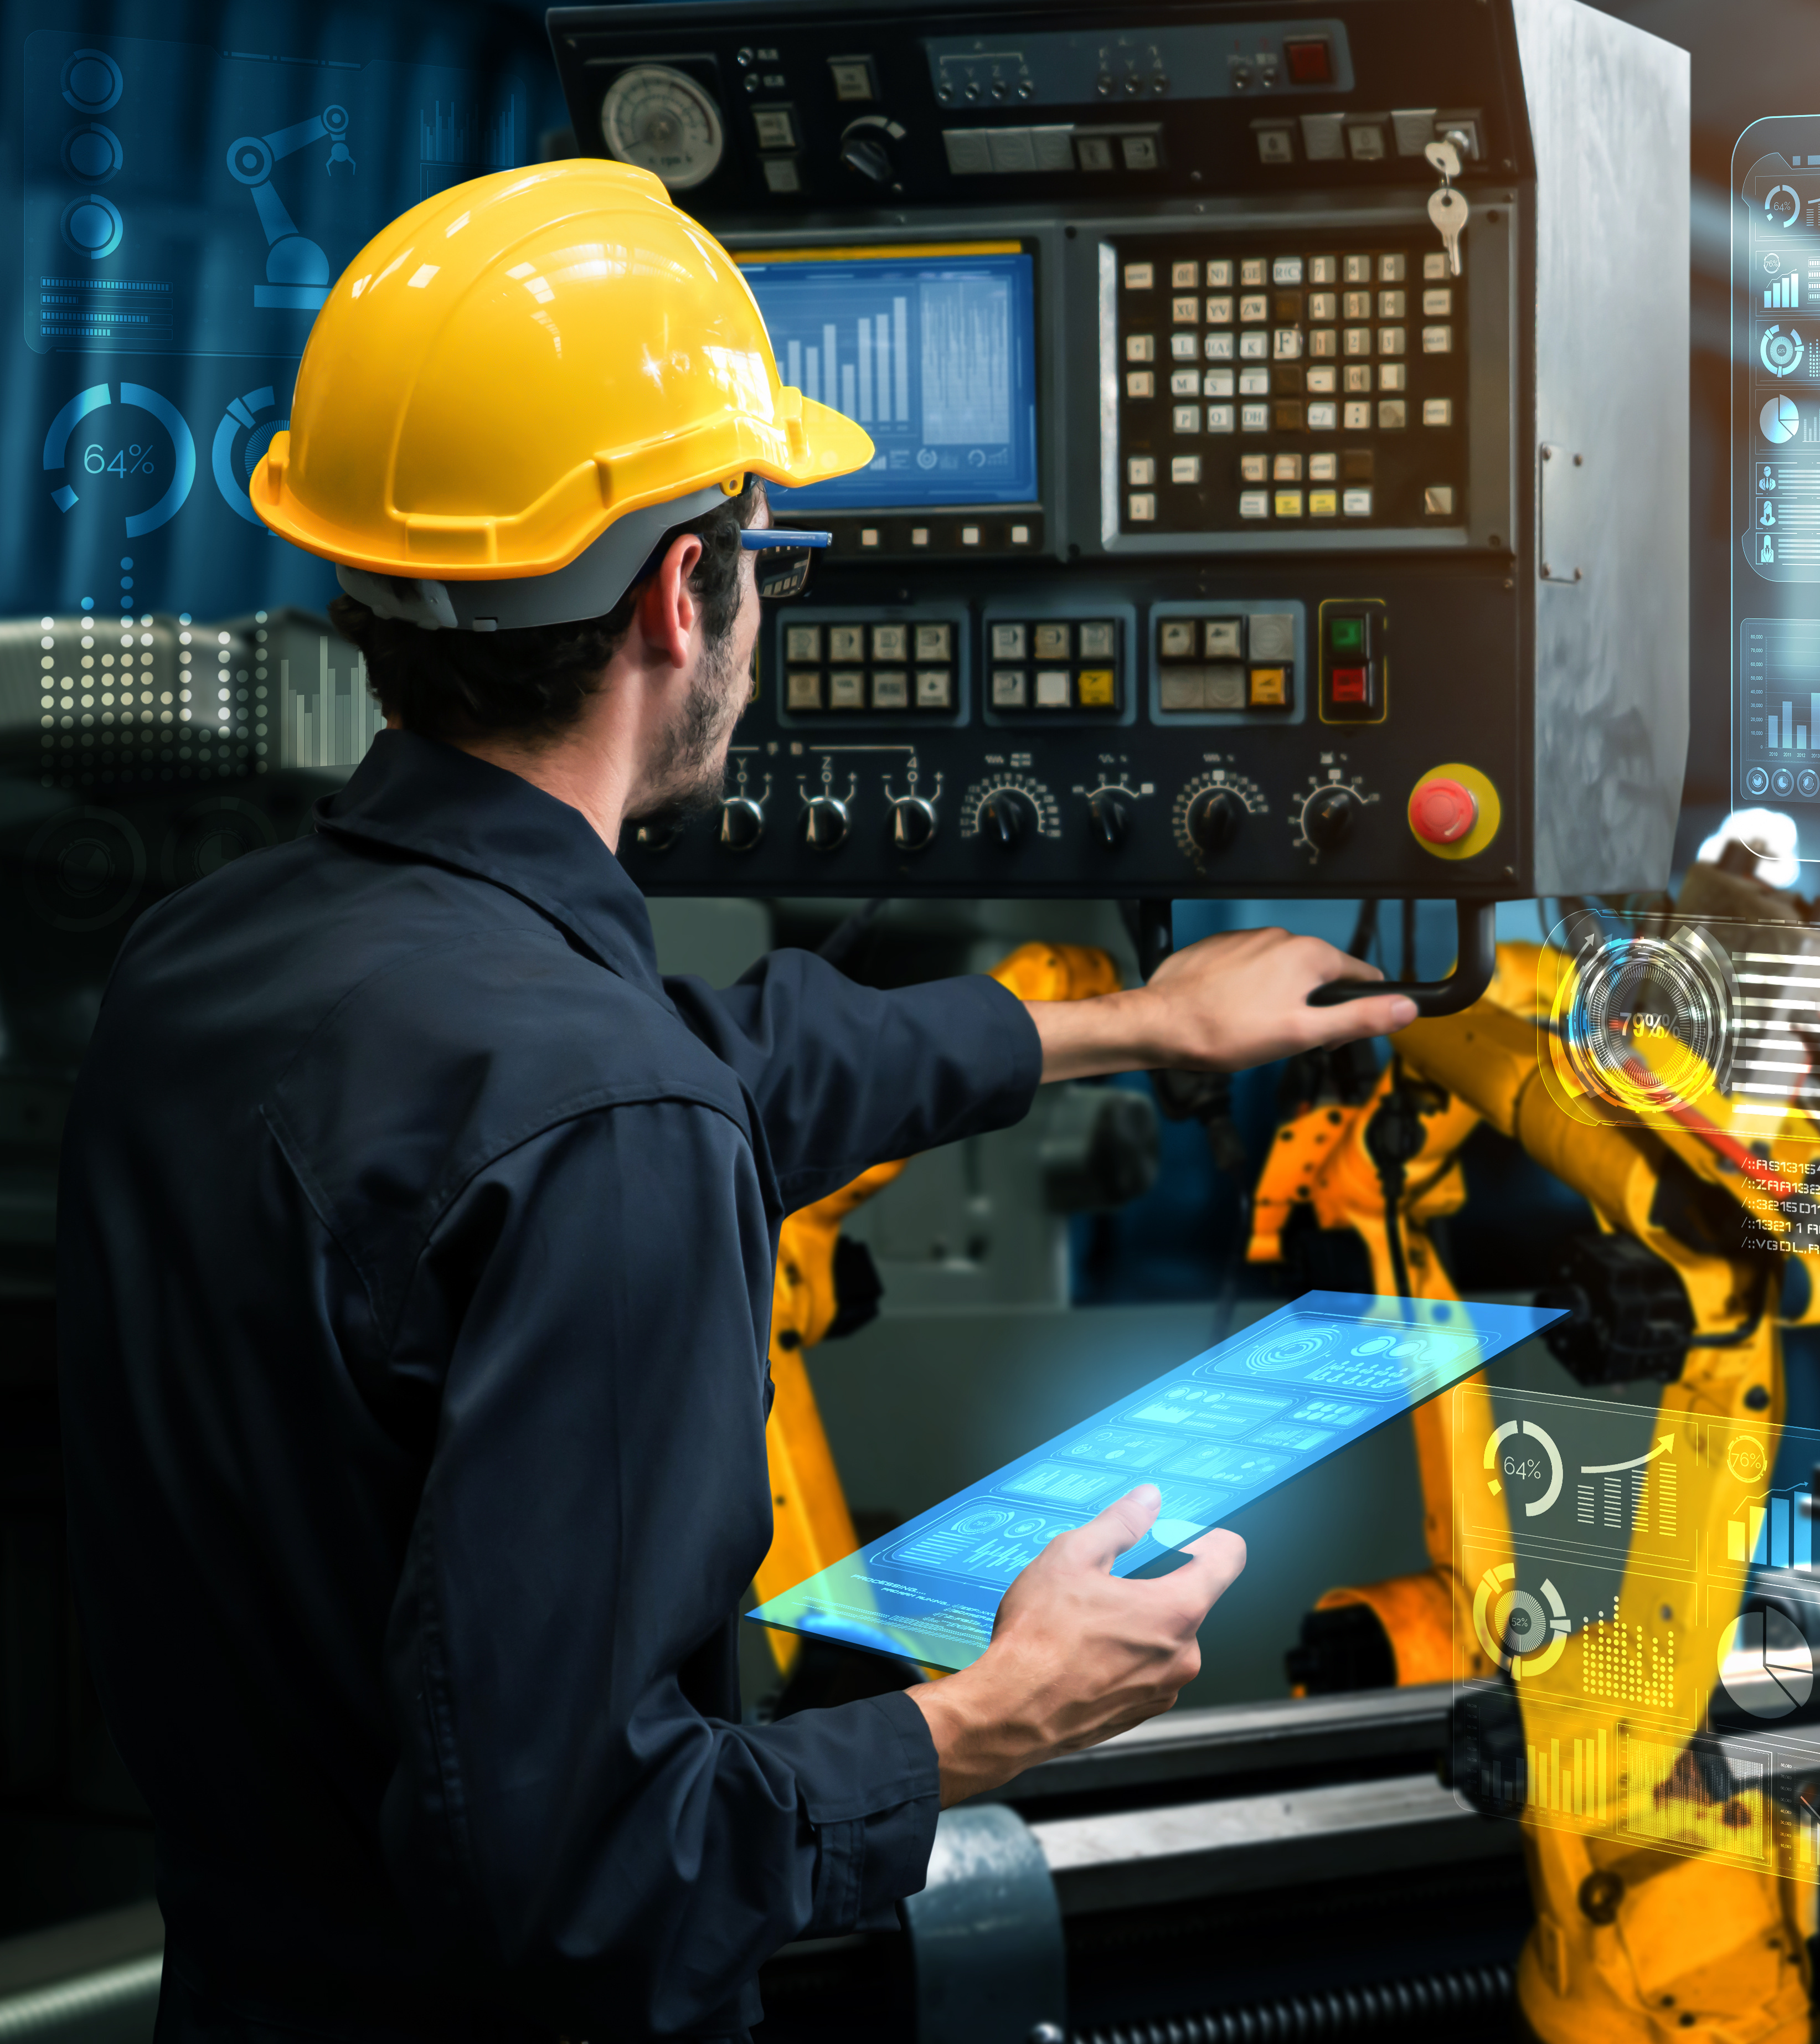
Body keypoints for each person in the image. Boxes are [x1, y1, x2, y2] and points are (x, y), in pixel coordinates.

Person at [54, 159, 1417, 2041]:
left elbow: (709, 1061)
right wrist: (975, 1722)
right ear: (684, 594)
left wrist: (1127, 1024)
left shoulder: (209, 963)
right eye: (765, 549)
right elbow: (591, 1888)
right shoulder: (601, 1113)